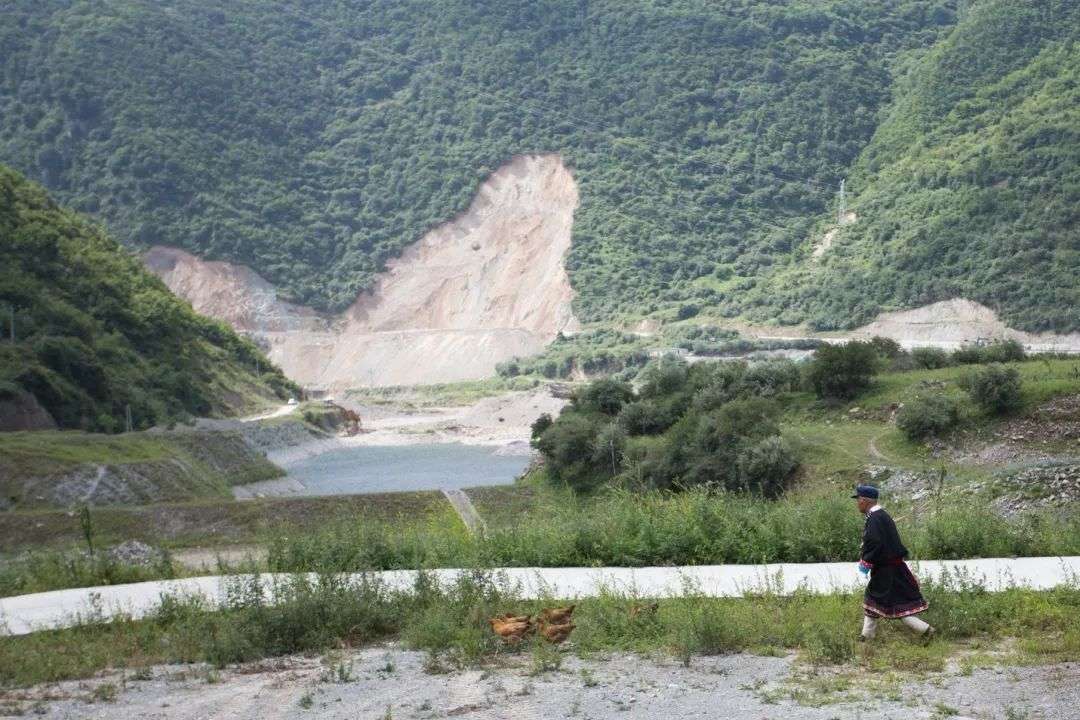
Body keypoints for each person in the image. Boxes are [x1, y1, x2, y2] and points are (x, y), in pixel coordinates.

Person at [852, 484, 935, 642]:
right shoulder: (880, 515)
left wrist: (866, 561)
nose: (857, 504)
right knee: (892, 603)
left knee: (875, 600)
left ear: (864, 500)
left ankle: (867, 637)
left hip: (886, 570)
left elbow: (874, 542)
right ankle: (925, 631)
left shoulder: (875, 518)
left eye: (858, 500)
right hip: (893, 568)